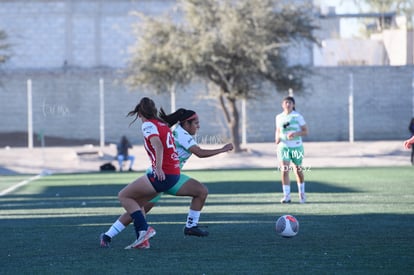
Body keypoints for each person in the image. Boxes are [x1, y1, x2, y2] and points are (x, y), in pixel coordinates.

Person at [100, 108, 234, 248]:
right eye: (196, 123)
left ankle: (190, 227)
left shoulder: (177, 131)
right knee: (138, 209)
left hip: (171, 176)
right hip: (161, 177)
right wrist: (222, 149)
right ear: (186, 124)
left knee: (200, 191)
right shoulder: (182, 134)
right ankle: (109, 235)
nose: (198, 126)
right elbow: (199, 153)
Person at [111, 97, 181, 250]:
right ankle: (142, 241)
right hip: (174, 173)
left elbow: (158, 146)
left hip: (164, 173)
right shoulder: (162, 124)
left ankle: (145, 230)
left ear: (141, 114)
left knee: (124, 195)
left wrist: (158, 167)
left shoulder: (148, 125)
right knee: (138, 203)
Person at [275, 96, 308, 204]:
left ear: (293, 105)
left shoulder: (297, 116)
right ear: (282, 104)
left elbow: (305, 131)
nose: (287, 104)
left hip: (296, 146)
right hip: (283, 146)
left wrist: (295, 134)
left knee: (298, 170)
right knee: (284, 170)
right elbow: (278, 130)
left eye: (290, 103)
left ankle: (302, 194)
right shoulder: (279, 117)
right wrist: (277, 138)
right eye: (286, 102)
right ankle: (287, 196)